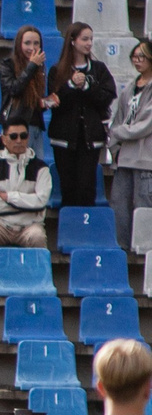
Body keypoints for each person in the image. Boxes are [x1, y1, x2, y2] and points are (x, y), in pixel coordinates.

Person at [41, 22, 116, 212]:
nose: (89, 43)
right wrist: (71, 86)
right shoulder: (57, 71)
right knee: (68, 187)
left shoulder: (98, 69)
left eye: (91, 39)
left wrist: (87, 87)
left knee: (86, 187)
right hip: (64, 138)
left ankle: (85, 229)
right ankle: (69, 230)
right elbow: (55, 102)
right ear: (72, 41)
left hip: (90, 138)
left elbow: (107, 97)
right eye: (85, 39)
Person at [0, 121, 51, 294]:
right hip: (1, 225)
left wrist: (10, 197)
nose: (19, 140)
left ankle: (39, 282)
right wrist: (28, 205)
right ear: (4, 139)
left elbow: (42, 201)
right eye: (13, 136)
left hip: (29, 226)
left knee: (38, 236)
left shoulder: (41, 169)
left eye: (23, 136)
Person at [105, 41, 152, 252]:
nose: (137, 60)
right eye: (134, 56)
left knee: (143, 205)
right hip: (124, 158)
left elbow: (145, 125)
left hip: (146, 160)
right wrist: (115, 146)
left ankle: (144, 248)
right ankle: (121, 249)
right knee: (119, 205)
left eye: (142, 56)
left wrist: (119, 132)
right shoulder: (130, 88)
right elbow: (118, 118)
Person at [0, 24, 50, 133]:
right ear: (19, 44)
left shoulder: (39, 67)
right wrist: (31, 66)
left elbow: (34, 104)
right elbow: (14, 90)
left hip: (35, 126)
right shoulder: (8, 64)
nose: (32, 48)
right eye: (27, 43)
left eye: (36, 43)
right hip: (16, 126)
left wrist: (47, 102)